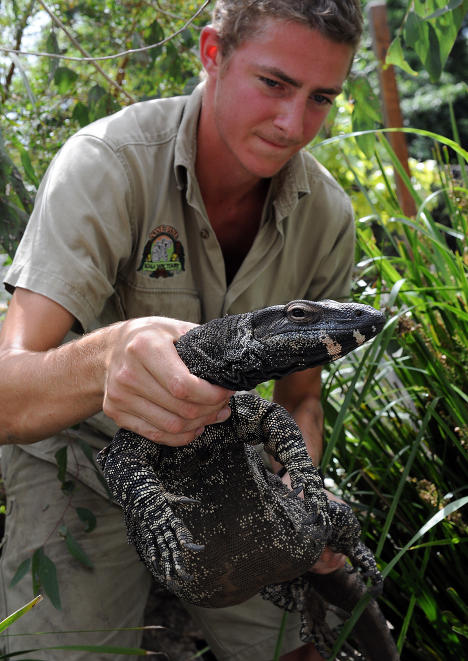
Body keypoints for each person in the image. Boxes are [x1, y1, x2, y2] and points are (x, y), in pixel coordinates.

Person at [0, 1, 363, 659]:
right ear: (212, 53)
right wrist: (108, 356)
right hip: (79, 461)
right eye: (275, 84)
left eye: (321, 98)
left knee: (303, 646)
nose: (292, 124)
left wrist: (295, 493)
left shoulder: (328, 216)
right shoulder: (105, 164)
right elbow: (8, 394)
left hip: (227, 469)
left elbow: (300, 396)